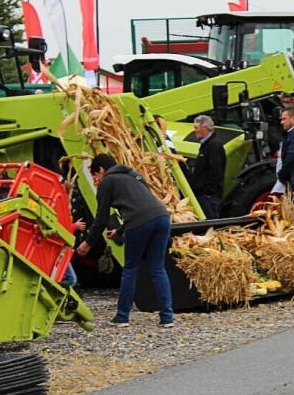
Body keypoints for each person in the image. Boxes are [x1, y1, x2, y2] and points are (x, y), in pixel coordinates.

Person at [76, 154, 174, 328]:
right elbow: (142, 205)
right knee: (158, 267)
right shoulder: (134, 174)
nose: (96, 180)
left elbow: (101, 220)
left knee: (130, 269)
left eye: (95, 175)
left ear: (101, 169)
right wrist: (120, 231)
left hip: (139, 223)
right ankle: (167, 317)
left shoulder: (107, 182)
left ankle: (122, 317)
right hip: (162, 217)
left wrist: (88, 243)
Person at [189, 115, 227, 219]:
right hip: (205, 195)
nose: (194, 131)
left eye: (196, 128)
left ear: (205, 127)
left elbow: (216, 170)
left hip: (208, 197)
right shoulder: (207, 144)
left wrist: (207, 191)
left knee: (209, 223)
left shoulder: (213, 145)